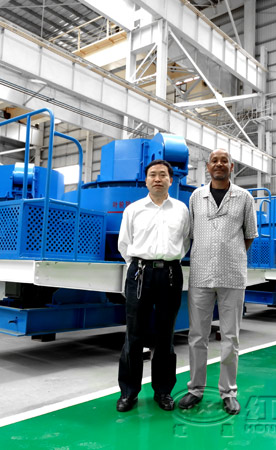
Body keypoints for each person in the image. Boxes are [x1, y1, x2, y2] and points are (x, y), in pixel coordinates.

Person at [178, 148, 258, 415]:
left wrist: (230, 254)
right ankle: (195, 389)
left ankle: (228, 392)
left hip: (232, 275)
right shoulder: (196, 197)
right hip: (201, 274)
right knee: (197, 336)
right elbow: (190, 233)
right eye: (215, 161)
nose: (219, 164)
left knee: (230, 337)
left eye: (225, 161)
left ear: (231, 167)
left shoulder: (244, 197)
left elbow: (250, 234)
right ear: (208, 167)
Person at [116, 159, 191, 412]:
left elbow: (185, 242)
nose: (157, 179)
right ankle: (128, 393)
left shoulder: (181, 209)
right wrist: (140, 267)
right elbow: (124, 244)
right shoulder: (134, 209)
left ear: (171, 179)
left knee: (165, 335)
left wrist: (168, 260)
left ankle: (163, 391)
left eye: (162, 175)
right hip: (140, 273)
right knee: (134, 334)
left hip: (170, 273)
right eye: (152, 175)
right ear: (146, 180)